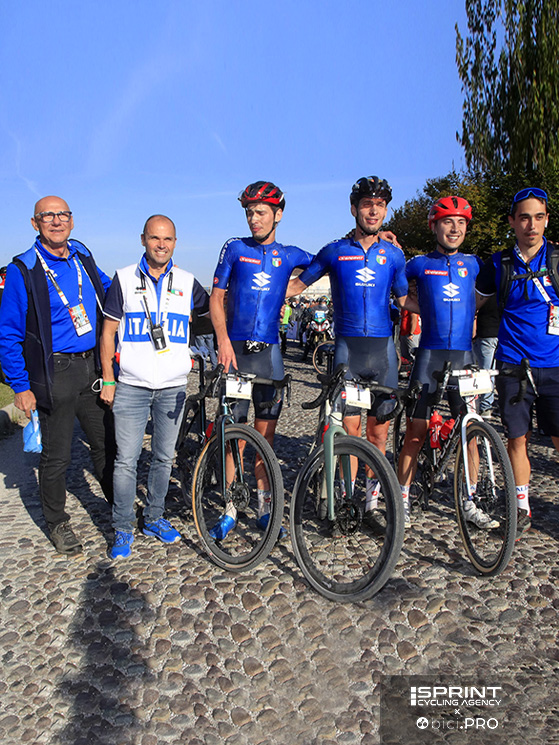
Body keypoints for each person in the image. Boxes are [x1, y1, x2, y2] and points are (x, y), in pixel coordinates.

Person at [287, 176, 408, 532]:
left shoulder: (394, 254)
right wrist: (258, 292)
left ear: (385, 211)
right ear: (354, 209)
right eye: (367, 204)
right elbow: (298, 285)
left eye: (380, 205)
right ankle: (345, 501)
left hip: (383, 354)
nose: (373, 211)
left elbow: (406, 300)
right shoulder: (335, 251)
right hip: (348, 352)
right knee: (350, 433)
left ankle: (371, 504)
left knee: (379, 435)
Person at [0, 196, 114, 554]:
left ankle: (120, 509)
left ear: (72, 220)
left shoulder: (82, 256)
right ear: (35, 223)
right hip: (55, 373)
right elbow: (8, 334)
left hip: (92, 367)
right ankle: (58, 523)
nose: (56, 221)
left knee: (105, 445)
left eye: (62, 214)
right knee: (57, 457)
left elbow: (110, 291)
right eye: (47, 216)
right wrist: (20, 386)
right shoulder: (23, 269)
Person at [100, 215, 210, 558]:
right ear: (143, 239)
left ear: (175, 243)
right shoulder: (123, 278)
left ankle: (154, 517)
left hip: (172, 387)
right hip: (131, 385)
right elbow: (107, 333)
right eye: (154, 238)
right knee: (126, 460)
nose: (161, 245)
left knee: (164, 457)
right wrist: (108, 378)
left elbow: (215, 313)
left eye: (168, 239)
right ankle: (122, 527)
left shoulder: (188, 282)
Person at [209, 181, 313, 538]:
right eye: (250, 212)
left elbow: (330, 261)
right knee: (234, 436)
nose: (254, 219)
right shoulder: (235, 248)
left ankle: (265, 510)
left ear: (278, 215)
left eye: (261, 212)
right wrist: (222, 341)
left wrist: (292, 288)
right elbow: (216, 297)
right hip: (236, 352)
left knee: (265, 439)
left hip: (269, 355)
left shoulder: (291, 254)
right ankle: (230, 507)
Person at [397, 196, 490, 527]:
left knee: (470, 431)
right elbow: (396, 290)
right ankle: (402, 498)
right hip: (430, 356)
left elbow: (484, 296)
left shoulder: (475, 264)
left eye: (461, 222)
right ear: (433, 226)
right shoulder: (419, 264)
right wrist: (421, 307)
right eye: (448, 222)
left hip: (464, 356)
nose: (455, 228)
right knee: (416, 432)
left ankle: (469, 500)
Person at [476, 187, 559, 536]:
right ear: (512, 221)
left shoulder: (557, 259)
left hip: (555, 364)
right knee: (517, 438)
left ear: (547, 220)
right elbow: (473, 306)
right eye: (524, 218)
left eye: (538, 217)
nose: (531, 225)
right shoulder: (498, 264)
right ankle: (521, 507)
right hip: (513, 365)